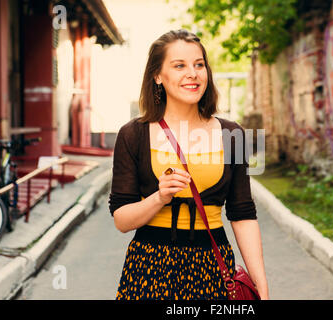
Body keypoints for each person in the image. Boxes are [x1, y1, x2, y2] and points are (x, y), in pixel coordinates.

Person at [108, 29, 269, 300]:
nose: (192, 73)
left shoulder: (233, 134)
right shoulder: (133, 134)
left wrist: (261, 287)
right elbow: (122, 220)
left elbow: (242, 215)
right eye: (179, 65)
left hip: (214, 269)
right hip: (148, 270)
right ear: (157, 76)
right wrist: (159, 197)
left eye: (199, 64)